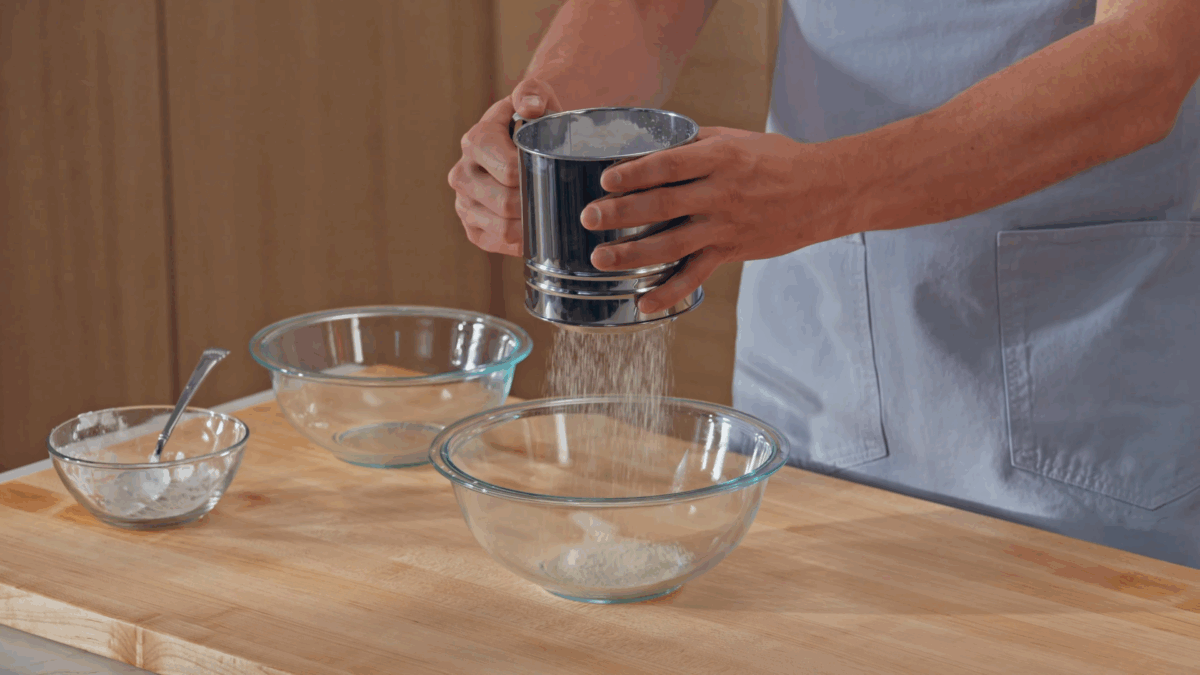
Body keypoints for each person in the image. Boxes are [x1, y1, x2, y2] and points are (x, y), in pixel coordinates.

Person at [447, 0, 1200, 569]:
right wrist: (547, 123)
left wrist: (824, 191)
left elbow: (1146, 60)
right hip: (822, 341)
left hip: (1084, 372)